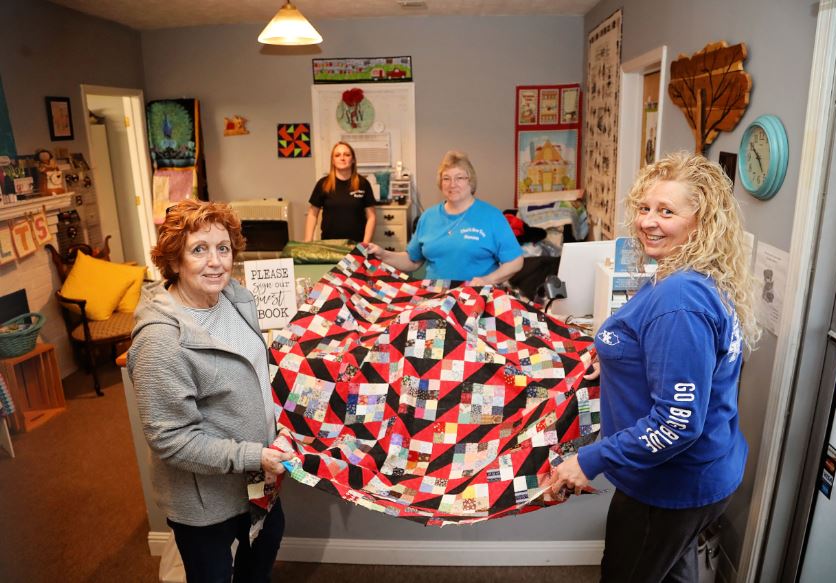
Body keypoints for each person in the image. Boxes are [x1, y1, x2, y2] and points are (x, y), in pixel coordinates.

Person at [551, 152, 760, 582]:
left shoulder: (680, 300)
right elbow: (664, 351)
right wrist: (611, 357)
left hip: (670, 485)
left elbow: (678, 422)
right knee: (670, 572)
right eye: (645, 208)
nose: (649, 221)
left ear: (702, 220)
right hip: (701, 473)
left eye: (667, 211)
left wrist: (590, 460)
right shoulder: (689, 274)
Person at [128, 200, 290, 582]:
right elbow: (171, 440)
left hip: (258, 481)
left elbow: (252, 371)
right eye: (199, 249)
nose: (215, 261)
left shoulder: (235, 297)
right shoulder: (161, 341)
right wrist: (253, 455)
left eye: (223, 248)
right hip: (206, 501)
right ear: (174, 259)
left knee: (262, 558)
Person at [367, 150, 523, 285]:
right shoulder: (428, 217)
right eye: (446, 178)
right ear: (440, 183)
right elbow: (412, 261)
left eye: (459, 178)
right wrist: (383, 254)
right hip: (435, 297)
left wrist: (487, 280)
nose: (452, 184)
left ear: (471, 181)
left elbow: (515, 262)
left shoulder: (491, 216)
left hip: (477, 296)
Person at [303, 141, 376, 244]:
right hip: (329, 245)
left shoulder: (363, 183)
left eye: (347, 155)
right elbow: (312, 214)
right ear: (333, 160)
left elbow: (371, 217)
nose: (342, 158)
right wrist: (308, 241)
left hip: (356, 245)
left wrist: (365, 245)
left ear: (353, 160)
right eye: (337, 155)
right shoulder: (323, 183)